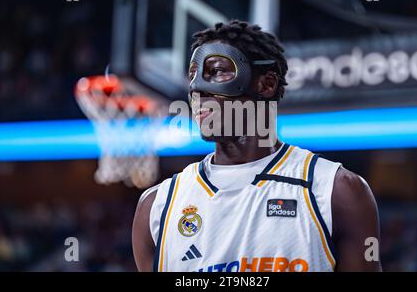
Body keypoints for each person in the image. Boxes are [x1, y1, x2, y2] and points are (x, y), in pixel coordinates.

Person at [132, 20, 381, 272]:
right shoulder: (156, 206)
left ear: (266, 84)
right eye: (193, 76)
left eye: (217, 71)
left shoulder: (335, 191)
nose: (197, 88)